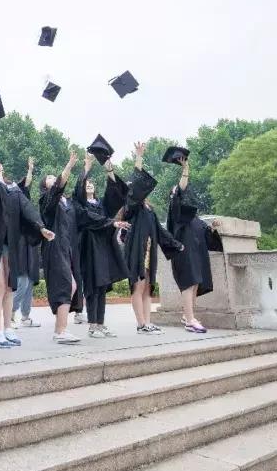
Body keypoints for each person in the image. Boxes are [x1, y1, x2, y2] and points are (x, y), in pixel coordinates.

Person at [0, 110, 55, 348]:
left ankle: (8, 328)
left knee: (10, 287)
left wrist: (41, 228)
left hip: (12, 244)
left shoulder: (12, 189)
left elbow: (28, 209)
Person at [118, 142, 183, 335]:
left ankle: (147, 322)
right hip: (136, 251)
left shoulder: (149, 209)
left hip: (149, 251)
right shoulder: (132, 207)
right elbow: (136, 183)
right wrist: (139, 157)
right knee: (137, 286)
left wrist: (176, 244)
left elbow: (160, 232)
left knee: (147, 287)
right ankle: (140, 324)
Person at [74, 154, 130, 338]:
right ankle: (92, 325)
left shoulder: (101, 204)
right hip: (89, 249)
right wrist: (87, 166)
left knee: (102, 286)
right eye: (86, 183)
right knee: (92, 286)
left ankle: (100, 323)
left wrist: (108, 167)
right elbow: (91, 219)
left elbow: (115, 192)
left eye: (91, 183)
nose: (89, 185)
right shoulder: (80, 204)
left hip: (104, 248)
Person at [166, 153, 223, 333]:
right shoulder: (175, 212)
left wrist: (213, 229)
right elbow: (180, 190)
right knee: (188, 283)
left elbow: (207, 238)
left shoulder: (195, 218)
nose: (181, 192)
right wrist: (186, 170)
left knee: (195, 283)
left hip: (197, 255)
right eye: (177, 191)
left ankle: (187, 315)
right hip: (183, 253)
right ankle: (190, 320)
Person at [38, 150, 84, 344]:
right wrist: (69, 165)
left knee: (72, 285)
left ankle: (60, 329)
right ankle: (61, 330)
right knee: (66, 285)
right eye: (48, 177)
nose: (52, 178)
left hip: (65, 248)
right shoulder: (46, 201)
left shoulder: (66, 205)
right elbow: (58, 188)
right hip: (53, 248)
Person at [11, 158, 41, 328]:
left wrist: (30, 169)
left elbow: (27, 183)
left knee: (30, 281)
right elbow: (26, 184)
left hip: (32, 244)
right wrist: (29, 170)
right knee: (22, 280)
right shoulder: (13, 198)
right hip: (20, 243)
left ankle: (25, 316)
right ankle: (10, 313)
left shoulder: (25, 198)